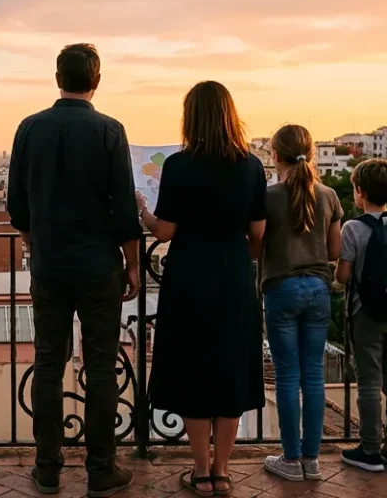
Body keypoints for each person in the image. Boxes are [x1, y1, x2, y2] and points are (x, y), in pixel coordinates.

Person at [8, 43, 141, 498]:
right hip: (100, 265)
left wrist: (36, 243)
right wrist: (133, 265)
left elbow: (16, 207)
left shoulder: (29, 129)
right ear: (96, 80)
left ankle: (47, 468)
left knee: (48, 362)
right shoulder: (109, 131)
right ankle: (101, 470)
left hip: (49, 265)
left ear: (57, 77)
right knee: (101, 365)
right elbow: (125, 208)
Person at [136, 81, 266, 497]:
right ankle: (224, 471)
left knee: (194, 369)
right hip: (234, 277)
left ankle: (201, 470)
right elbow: (258, 232)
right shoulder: (251, 165)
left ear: (190, 117)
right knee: (229, 370)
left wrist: (142, 212)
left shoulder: (179, 165)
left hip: (190, 277)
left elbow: (166, 229)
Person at [259, 125, 343, 482]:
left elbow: (255, 244)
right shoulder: (328, 195)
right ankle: (312, 459)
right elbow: (336, 251)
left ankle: (290, 460)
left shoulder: (269, 196)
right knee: (313, 376)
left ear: (274, 155)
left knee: (287, 377)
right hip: (319, 289)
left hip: (281, 288)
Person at [335, 159, 387, 473]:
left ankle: (370, 450)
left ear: (359, 193)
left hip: (367, 313)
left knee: (369, 382)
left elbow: (344, 275)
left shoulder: (353, 228)